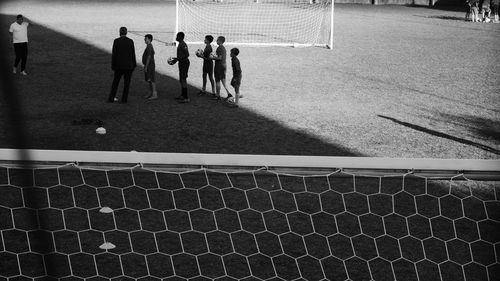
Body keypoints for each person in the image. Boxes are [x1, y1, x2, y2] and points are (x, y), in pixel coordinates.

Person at [108, 26, 136, 103]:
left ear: (119, 32)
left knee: (115, 83)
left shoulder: (116, 41)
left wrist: (113, 66)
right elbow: (132, 54)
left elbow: (114, 54)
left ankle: (111, 98)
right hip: (128, 66)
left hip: (118, 66)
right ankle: (124, 100)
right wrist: (134, 65)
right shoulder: (130, 41)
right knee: (126, 84)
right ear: (126, 33)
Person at [170, 32, 190, 103]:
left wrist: (177, 59)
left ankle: (186, 98)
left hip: (184, 63)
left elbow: (187, 54)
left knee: (183, 79)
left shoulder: (183, 44)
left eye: (177, 36)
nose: (176, 37)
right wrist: (177, 59)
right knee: (181, 79)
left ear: (181, 37)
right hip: (181, 63)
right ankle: (182, 95)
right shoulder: (180, 44)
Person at [210, 36, 232, 101]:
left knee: (217, 81)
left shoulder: (219, 48)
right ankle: (229, 94)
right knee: (223, 81)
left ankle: (218, 96)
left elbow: (220, 58)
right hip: (223, 65)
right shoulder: (223, 48)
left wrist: (212, 58)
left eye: (217, 40)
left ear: (220, 41)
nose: (216, 41)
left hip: (219, 66)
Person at [142, 34, 157, 100]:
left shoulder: (149, 47)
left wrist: (146, 66)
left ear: (149, 39)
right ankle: (150, 93)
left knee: (151, 79)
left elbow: (149, 57)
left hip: (150, 66)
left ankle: (154, 94)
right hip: (149, 65)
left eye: (146, 38)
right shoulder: (149, 46)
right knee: (149, 79)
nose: (144, 40)